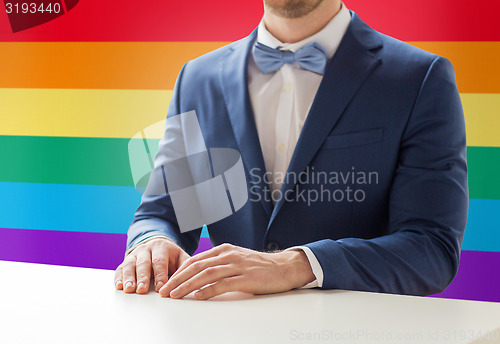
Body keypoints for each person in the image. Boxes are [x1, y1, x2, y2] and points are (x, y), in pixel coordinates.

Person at [114, 0, 468, 300]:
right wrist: (154, 242)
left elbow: (431, 248)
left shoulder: (419, 79)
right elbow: (166, 213)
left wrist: (297, 265)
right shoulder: (198, 78)